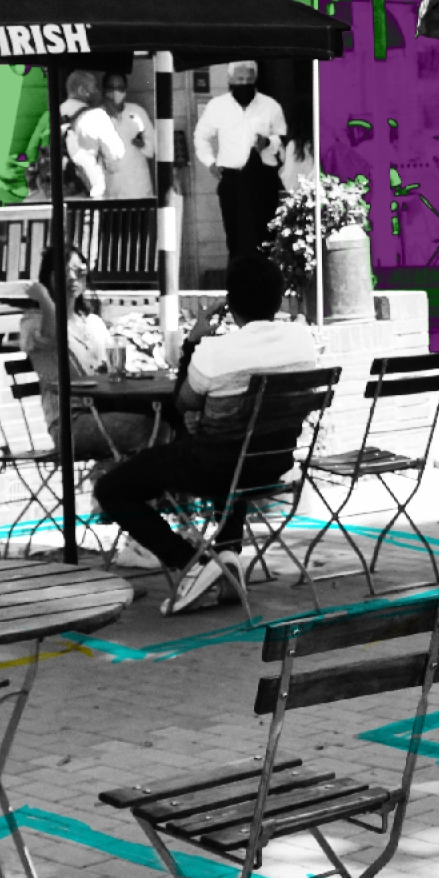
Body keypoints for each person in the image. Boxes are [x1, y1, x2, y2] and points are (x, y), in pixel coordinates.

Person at [95, 255, 325, 615]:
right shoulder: (302, 342)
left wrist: (193, 341)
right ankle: (227, 554)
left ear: (231, 304)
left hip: (215, 467)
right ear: (280, 298)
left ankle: (192, 563)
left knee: (111, 489)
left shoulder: (215, 352)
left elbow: (182, 403)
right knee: (238, 450)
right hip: (272, 465)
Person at [20, 244, 156, 461]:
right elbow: (53, 336)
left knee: (168, 418)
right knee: (149, 429)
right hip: (70, 422)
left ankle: (112, 478)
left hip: (105, 409)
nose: (72, 278)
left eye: (79, 270)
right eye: (64, 271)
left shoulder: (93, 322)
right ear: (49, 277)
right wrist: (44, 298)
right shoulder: (33, 321)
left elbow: (113, 368)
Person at [195, 61, 289, 262]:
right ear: (230, 80)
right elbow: (200, 136)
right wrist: (210, 162)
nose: (244, 83)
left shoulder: (270, 106)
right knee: (235, 238)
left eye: (248, 79)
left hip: (263, 180)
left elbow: (282, 142)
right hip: (232, 180)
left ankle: (264, 279)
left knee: (265, 236)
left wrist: (268, 142)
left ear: (255, 80)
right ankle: (238, 279)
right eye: (240, 79)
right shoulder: (217, 106)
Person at [59, 70, 125, 199]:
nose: (97, 92)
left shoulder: (49, 116)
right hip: (87, 197)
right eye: (94, 87)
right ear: (82, 90)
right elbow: (116, 154)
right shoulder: (96, 116)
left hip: (55, 197)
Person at [98, 72, 156, 200]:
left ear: (126, 89)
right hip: (111, 188)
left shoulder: (137, 112)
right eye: (111, 87)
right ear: (104, 89)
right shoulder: (97, 116)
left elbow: (151, 149)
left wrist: (141, 144)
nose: (116, 92)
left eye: (120, 88)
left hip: (137, 188)